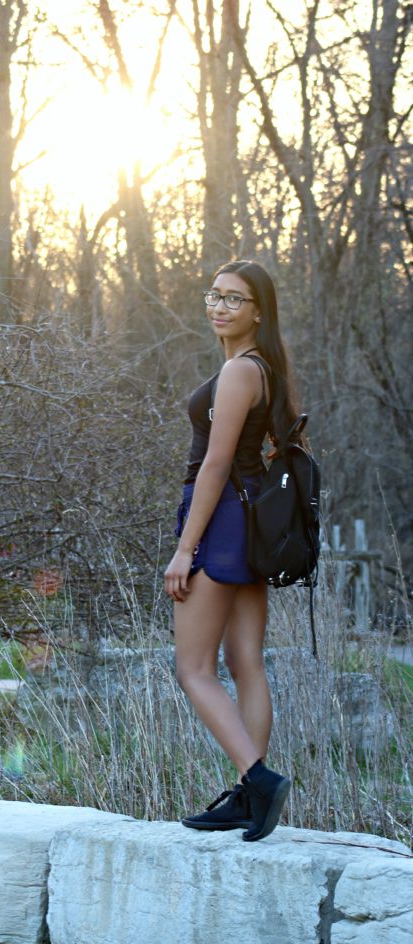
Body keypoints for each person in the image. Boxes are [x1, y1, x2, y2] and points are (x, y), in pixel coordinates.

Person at [164, 260, 299, 842]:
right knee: (246, 662)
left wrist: (184, 548)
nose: (219, 307)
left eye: (234, 299)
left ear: (258, 312)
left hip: (220, 519)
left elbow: (216, 464)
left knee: (193, 667)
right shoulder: (265, 368)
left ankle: (258, 780)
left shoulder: (241, 371)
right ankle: (251, 797)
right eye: (214, 295)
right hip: (248, 521)